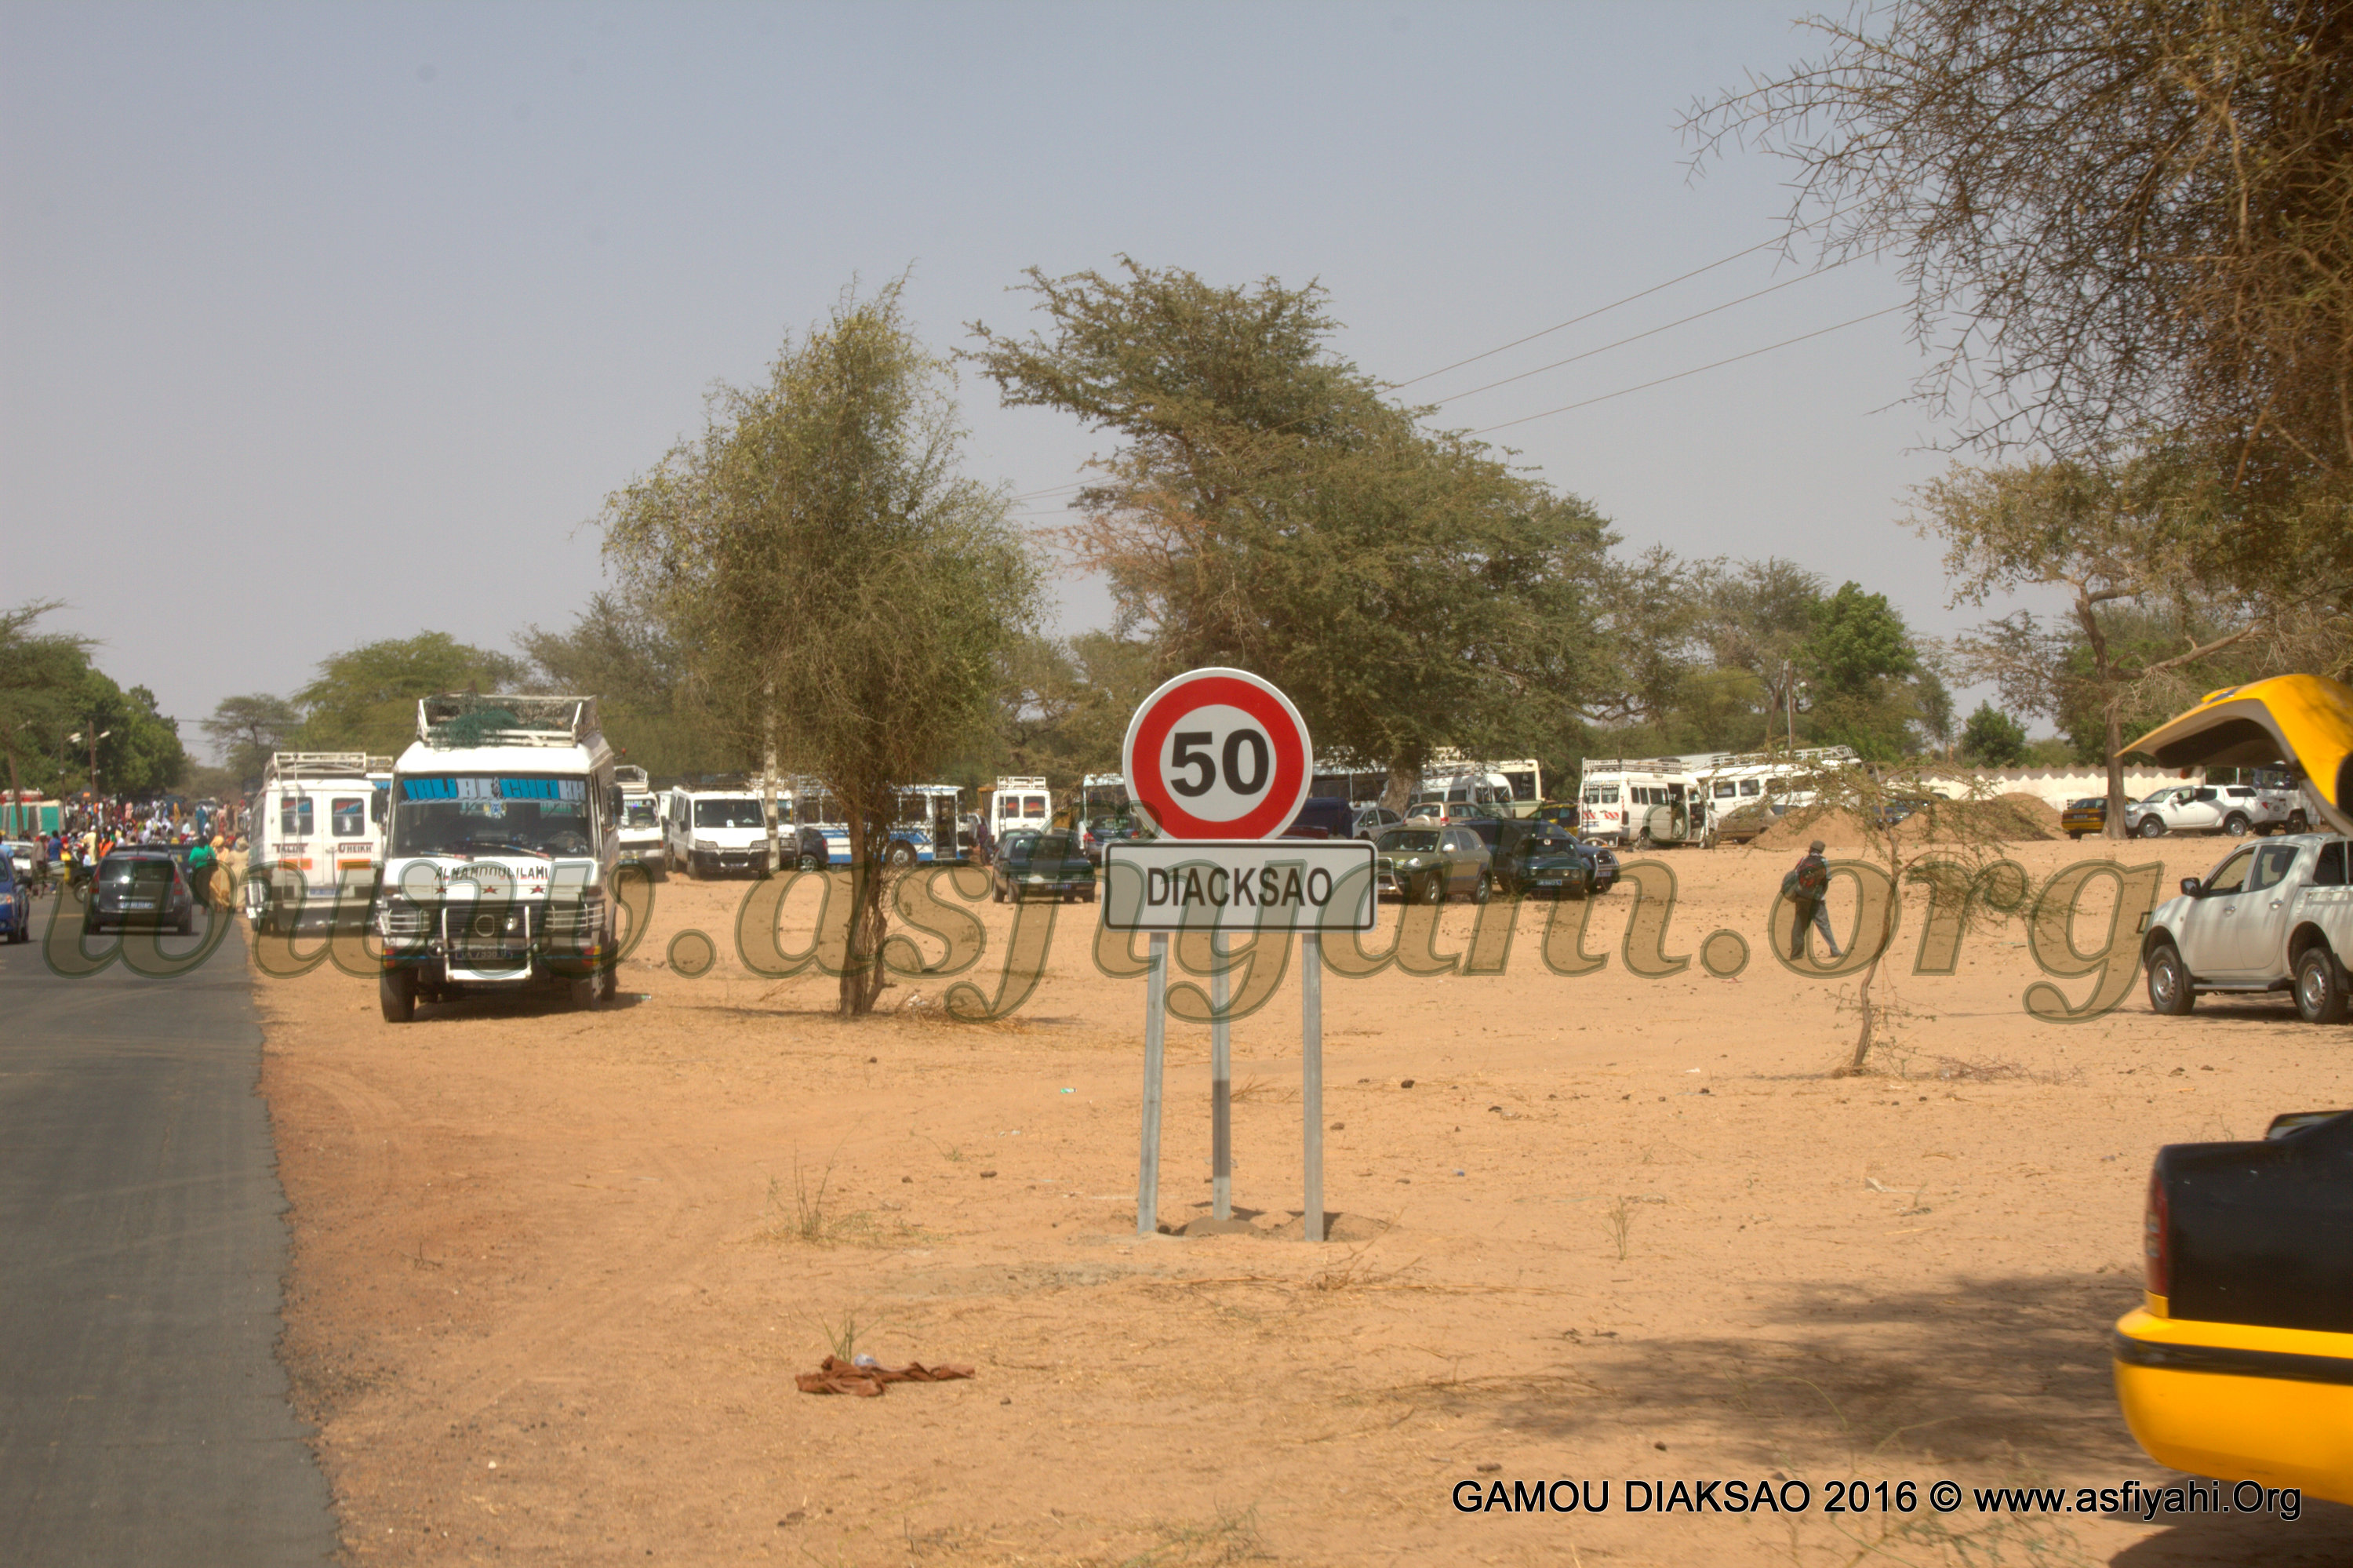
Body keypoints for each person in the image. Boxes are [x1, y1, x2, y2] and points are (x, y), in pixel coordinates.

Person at [1784, 838, 1841, 962]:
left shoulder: (1803, 860)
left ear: (1811, 849)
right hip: (1816, 899)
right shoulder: (1824, 862)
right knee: (1824, 925)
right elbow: (1827, 880)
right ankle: (1835, 950)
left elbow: (1794, 875)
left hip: (1801, 898)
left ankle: (1796, 955)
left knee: (1799, 926)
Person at [187, 835, 217, 910]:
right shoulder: (209, 849)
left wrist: (193, 866)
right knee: (206, 887)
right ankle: (204, 905)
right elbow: (214, 858)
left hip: (197, 869)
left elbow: (190, 860)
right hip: (207, 870)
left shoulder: (195, 849)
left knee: (198, 886)